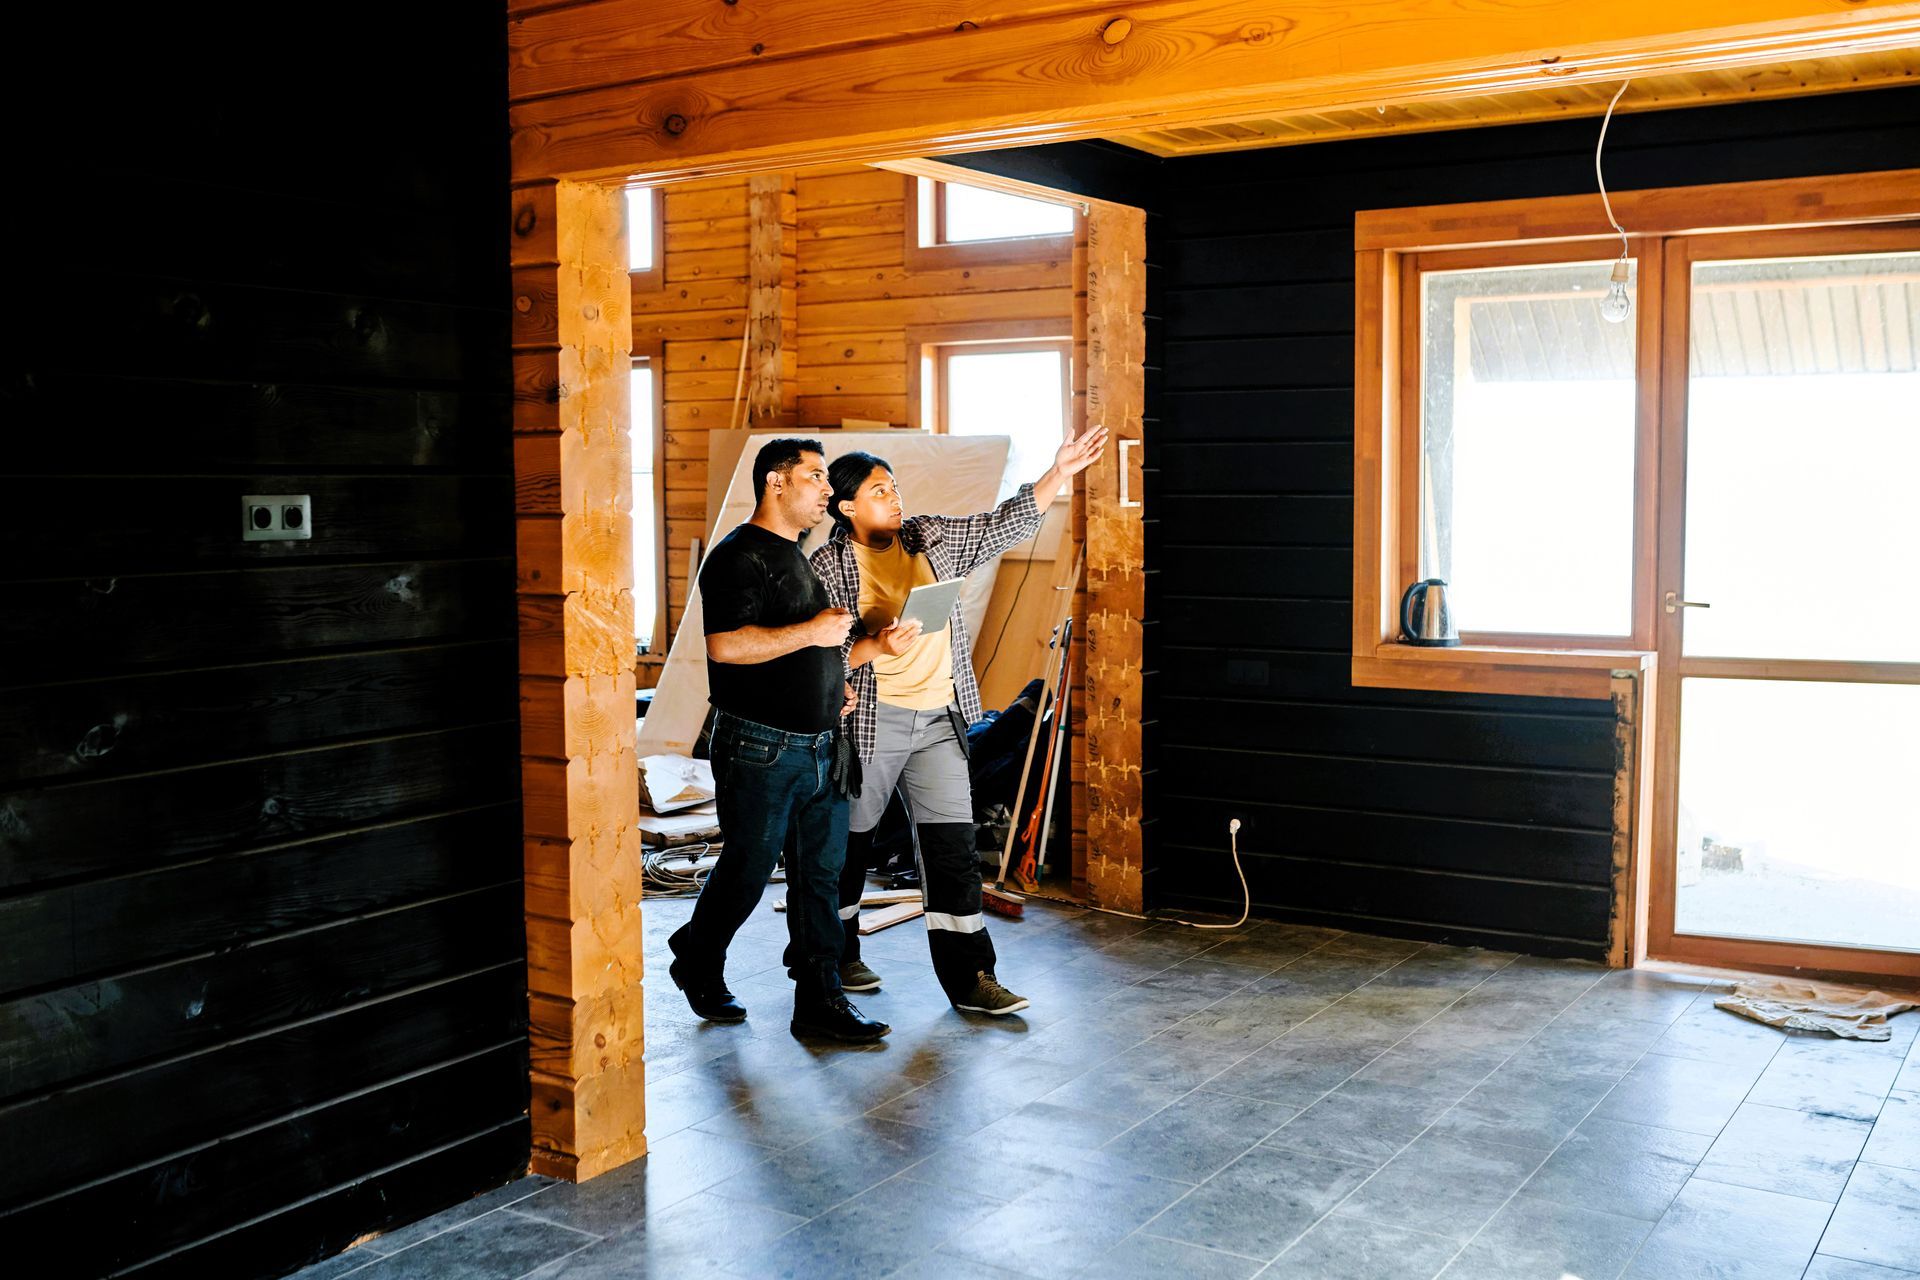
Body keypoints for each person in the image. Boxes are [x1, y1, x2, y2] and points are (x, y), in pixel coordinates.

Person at [811, 424, 1108, 1015]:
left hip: (939, 718)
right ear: (846, 507)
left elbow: (1006, 523)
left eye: (894, 487)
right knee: (850, 845)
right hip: (872, 722)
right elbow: (817, 654)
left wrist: (1060, 472)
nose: (894, 498)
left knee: (951, 849)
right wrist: (876, 643)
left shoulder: (932, 538)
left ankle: (972, 978)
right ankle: (835, 954)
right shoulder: (826, 567)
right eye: (877, 491)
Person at [666, 438, 889, 1042]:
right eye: (815, 476)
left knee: (821, 875)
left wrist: (832, 689)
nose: (826, 488)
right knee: (747, 868)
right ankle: (698, 958)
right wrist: (816, 631)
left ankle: (819, 1001)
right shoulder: (738, 557)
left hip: (821, 745)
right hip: (761, 748)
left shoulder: (797, 555)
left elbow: (803, 651)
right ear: (776, 483)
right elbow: (727, 646)